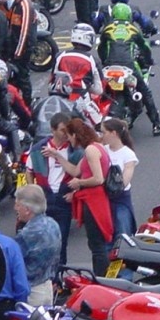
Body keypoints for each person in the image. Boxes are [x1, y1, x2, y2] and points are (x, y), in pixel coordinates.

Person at [54, 118, 112, 276]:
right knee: (97, 244)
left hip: (94, 201)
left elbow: (98, 178)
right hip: (94, 200)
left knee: (97, 246)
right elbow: (74, 170)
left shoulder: (90, 151)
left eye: (69, 136)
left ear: (75, 134)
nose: (68, 139)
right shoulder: (94, 147)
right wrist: (57, 156)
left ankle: (102, 281)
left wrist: (79, 183)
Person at [98, 3, 160, 136]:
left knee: (102, 91)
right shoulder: (133, 29)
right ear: (129, 15)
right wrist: (148, 60)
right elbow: (145, 47)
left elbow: (101, 48)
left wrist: (105, 61)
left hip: (110, 66)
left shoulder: (107, 28)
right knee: (145, 93)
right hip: (128, 66)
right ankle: (157, 125)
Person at [28, 112, 82, 266]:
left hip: (63, 201)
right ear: (52, 130)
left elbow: (82, 174)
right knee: (42, 240)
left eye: (67, 130)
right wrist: (33, 191)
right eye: (62, 130)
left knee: (61, 240)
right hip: (44, 200)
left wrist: (75, 193)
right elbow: (29, 171)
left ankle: (60, 274)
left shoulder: (75, 150)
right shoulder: (39, 149)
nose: (66, 134)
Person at [13, 184, 61, 307]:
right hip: (47, 288)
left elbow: (13, 261)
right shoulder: (53, 224)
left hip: (32, 293)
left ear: (28, 209)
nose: (15, 208)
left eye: (18, 205)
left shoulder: (29, 234)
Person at [101, 118, 140, 237]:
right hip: (103, 198)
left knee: (122, 233)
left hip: (120, 199)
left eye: (103, 132)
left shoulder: (128, 154)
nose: (101, 135)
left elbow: (122, 183)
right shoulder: (102, 150)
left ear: (113, 133)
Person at [2, 0, 35, 105]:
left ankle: (27, 104)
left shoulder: (25, 5)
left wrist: (18, 53)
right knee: (16, 78)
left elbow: (25, 31)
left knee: (23, 78)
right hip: (16, 48)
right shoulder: (16, 4)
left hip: (23, 49)